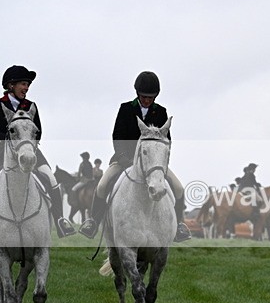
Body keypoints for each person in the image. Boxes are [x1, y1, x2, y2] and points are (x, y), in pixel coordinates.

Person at [79, 71, 191, 242]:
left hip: (153, 162)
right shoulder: (126, 109)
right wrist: (124, 158)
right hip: (124, 160)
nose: (147, 100)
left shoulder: (161, 112)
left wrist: (160, 161)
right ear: (138, 94)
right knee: (101, 186)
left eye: (150, 97)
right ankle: (93, 222)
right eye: (144, 96)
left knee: (178, 188)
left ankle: (179, 225)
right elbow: (117, 135)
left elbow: (166, 140)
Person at [1, 65, 76, 237]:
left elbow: (38, 131)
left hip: (29, 151)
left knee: (51, 178)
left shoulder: (31, 106)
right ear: (11, 85)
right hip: (3, 153)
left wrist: (27, 147)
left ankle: (60, 221)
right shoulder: (0, 105)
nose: (26, 88)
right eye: (23, 84)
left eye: (28, 85)